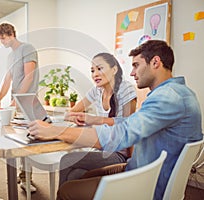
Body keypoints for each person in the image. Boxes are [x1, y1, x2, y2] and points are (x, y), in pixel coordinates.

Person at [28, 40, 203, 200]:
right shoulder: (176, 93)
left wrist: (56, 131)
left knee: (67, 190)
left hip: (147, 181)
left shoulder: (168, 97)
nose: (132, 72)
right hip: (138, 168)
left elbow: (122, 134)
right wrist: (93, 119)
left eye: (136, 65)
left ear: (155, 62)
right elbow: (131, 123)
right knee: (77, 175)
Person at [59, 52, 136, 185]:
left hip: (118, 154)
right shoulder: (97, 91)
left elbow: (128, 126)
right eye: (92, 70)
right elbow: (70, 113)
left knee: (67, 160)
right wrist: (77, 117)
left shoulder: (126, 88)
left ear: (114, 69)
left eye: (99, 68)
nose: (95, 74)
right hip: (100, 148)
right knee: (74, 175)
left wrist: (93, 119)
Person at [0, 23, 39, 192]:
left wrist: (17, 99)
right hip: (17, 104)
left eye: (3, 38)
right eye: (0, 39)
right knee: (16, 140)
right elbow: (7, 80)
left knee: (27, 141)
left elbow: (29, 76)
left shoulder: (27, 49)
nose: (2, 42)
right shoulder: (10, 56)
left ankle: (26, 179)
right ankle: (20, 178)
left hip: (28, 102)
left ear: (11, 34)